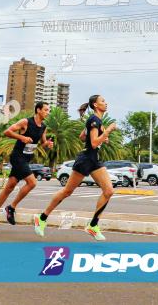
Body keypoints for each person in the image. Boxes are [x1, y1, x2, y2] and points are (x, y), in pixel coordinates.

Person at [35, 94, 116, 240]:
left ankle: (93, 225)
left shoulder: (96, 121)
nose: (106, 103)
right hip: (86, 160)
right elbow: (93, 143)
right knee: (67, 191)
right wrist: (107, 131)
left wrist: (103, 135)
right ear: (96, 105)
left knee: (109, 191)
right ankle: (41, 218)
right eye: (103, 101)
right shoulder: (94, 120)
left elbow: (82, 137)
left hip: (95, 160)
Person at [0, 101, 54, 231]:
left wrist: (48, 144)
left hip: (26, 158)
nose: (47, 112)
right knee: (32, 183)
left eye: (48, 110)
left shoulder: (43, 127)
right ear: (38, 110)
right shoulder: (26, 122)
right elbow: (7, 132)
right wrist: (22, 138)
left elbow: (42, 143)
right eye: (45, 110)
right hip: (17, 157)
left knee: (9, 187)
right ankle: (11, 207)